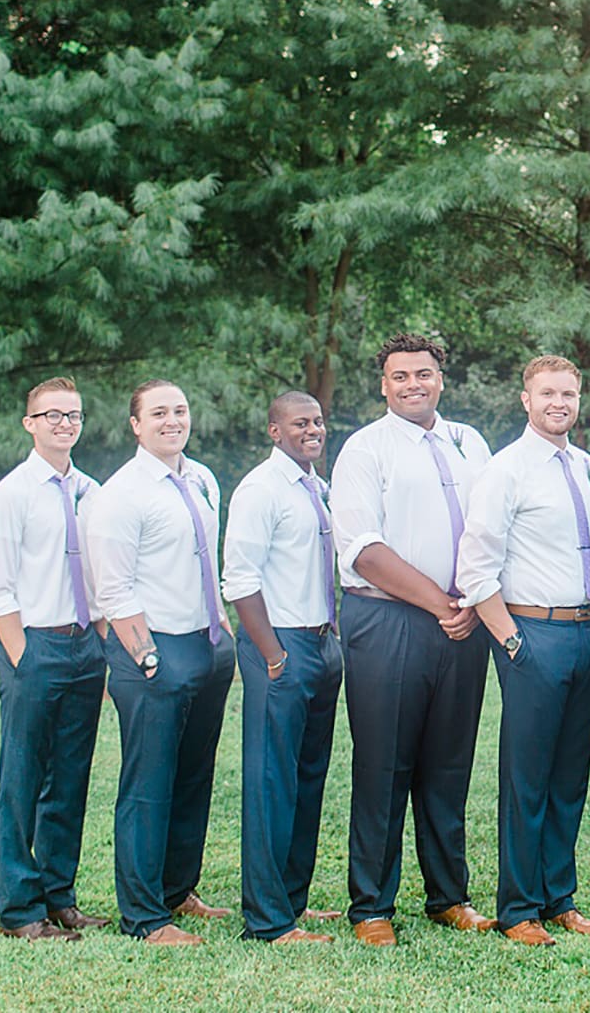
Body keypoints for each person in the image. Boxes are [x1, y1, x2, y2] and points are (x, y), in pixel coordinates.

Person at [330, 332, 498, 945]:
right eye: (399, 376)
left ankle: (448, 896)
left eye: (423, 374)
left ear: (440, 379)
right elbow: (363, 550)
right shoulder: (364, 449)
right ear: (383, 385)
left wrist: (475, 602)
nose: (413, 385)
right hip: (389, 620)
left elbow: (491, 528)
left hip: (463, 623)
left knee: (449, 763)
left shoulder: (469, 443)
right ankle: (372, 906)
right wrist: (442, 603)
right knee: (384, 763)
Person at [455, 356, 590, 946]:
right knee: (527, 778)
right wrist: (512, 641)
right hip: (531, 633)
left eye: (567, 393)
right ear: (526, 400)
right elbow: (476, 568)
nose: (558, 403)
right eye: (547, 393)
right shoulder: (505, 471)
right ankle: (518, 908)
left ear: (579, 399)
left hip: (589, 634)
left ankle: (559, 899)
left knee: (570, 778)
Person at [84, 379, 235, 945]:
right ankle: (144, 916)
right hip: (153, 649)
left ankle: (178, 889)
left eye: (180, 410)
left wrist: (221, 629)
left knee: (193, 776)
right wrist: (147, 656)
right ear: (136, 425)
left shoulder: (202, 479)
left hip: (205, 643)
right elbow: (112, 588)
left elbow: (205, 558)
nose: (173, 421)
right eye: (159, 413)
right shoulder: (120, 495)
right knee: (148, 783)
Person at [0, 376, 109, 940]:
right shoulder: (12, 494)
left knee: (70, 777)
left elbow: (102, 576)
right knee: (23, 779)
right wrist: (23, 656)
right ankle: (20, 910)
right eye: (52, 415)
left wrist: (101, 641)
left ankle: (60, 895)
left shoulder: (92, 492)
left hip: (85, 645)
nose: (64, 423)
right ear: (30, 424)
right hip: (35, 644)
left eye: (73, 414)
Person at [222, 391, 342, 944]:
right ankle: (268, 919)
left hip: (320, 643)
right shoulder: (261, 489)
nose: (312, 430)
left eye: (317, 421)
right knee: (272, 782)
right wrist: (273, 655)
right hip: (280, 645)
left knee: (307, 778)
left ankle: (293, 901)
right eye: (299, 423)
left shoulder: (318, 488)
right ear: (275, 430)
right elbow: (239, 580)